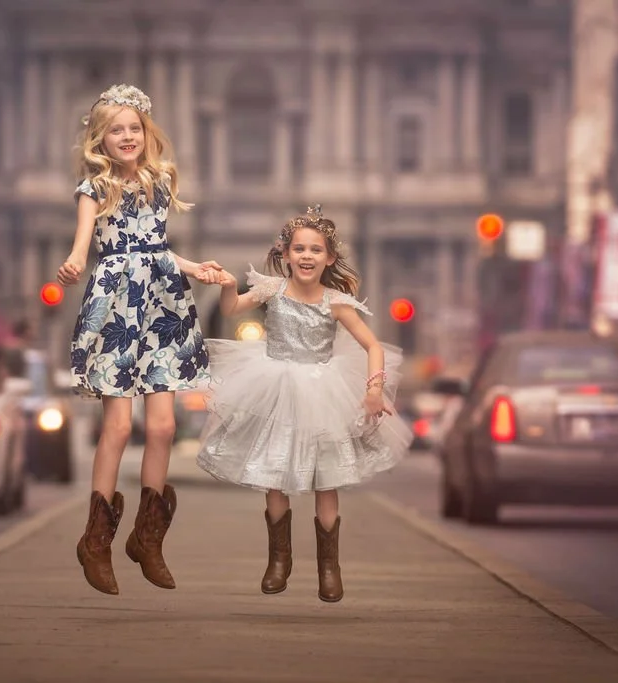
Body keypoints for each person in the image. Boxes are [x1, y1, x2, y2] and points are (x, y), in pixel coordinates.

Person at [197, 205, 413, 602]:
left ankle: (329, 567)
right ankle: (279, 559)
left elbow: (371, 346)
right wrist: (228, 285)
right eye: (299, 249)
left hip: (321, 390)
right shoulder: (270, 290)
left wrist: (374, 389)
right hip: (276, 386)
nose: (307, 256)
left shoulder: (336, 302)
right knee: (274, 473)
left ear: (329, 258)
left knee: (325, 480)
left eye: (315, 250)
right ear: (285, 254)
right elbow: (230, 308)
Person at [56, 83, 223, 596]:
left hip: (164, 305)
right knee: (118, 425)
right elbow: (88, 242)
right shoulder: (94, 189)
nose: (126, 137)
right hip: (116, 307)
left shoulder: (160, 182)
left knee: (164, 426)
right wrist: (76, 260)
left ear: (146, 134)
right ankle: (96, 541)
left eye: (133, 128)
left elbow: (156, 248)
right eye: (115, 130)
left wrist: (196, 268)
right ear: (99, 140)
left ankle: (147, 538)